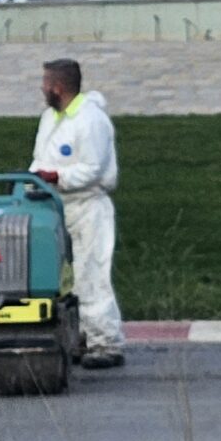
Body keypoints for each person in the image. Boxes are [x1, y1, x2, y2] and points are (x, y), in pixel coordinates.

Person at [32, 57, 125, 369]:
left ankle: (106, 342)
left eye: (45, 83)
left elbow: (93, 168)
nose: (42, 89)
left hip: (88, 206)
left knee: (92, 273)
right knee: (66, 279)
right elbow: (39, 159)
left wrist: (56, 177)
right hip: (56, 207)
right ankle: (80, 336)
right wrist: (32, 179)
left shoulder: (90, 120)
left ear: (58, 87)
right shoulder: (50, 118)